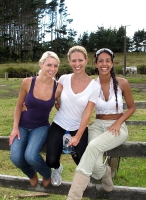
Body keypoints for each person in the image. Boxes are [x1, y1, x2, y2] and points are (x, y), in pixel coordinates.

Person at [67, 48, 136, 200]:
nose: (104, 64)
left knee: (91, 148)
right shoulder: (91, 84)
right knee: (96, 165)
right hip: (97, 125)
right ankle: (105, 172)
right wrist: (58, 102)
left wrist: (118, 122)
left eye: (107, 61)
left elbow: (132, 108)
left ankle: (73, 196)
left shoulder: (122, 83)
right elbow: (79, 103)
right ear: (95, 64)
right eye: (101, 61)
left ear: (112, 64)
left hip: (117, 127)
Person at [46, 46, 101, 186]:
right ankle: (58, 169)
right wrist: (53, 101)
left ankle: (83, 181)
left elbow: (88, 113)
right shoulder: (64, 78)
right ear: (69, 61)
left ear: (86, 60)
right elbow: (54, 95)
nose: (77, 64)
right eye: (74, 60)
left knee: (81, 160)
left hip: (78, 126)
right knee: (51, 160)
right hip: (59, 124)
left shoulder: (94, 86)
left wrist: (77, 137)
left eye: (80, 60)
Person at [9, 51, 62, 188]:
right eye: (49, 65)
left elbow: (60, 105)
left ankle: (46, 173)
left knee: (31, 156)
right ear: (41, 64)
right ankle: (31, 174)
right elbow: (19, 105)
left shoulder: (58, 88)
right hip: (22, 125)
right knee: (15, 157)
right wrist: (15, 128)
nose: (52, 69)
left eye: (56, 66)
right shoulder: (27, 83)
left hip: (41, 127)